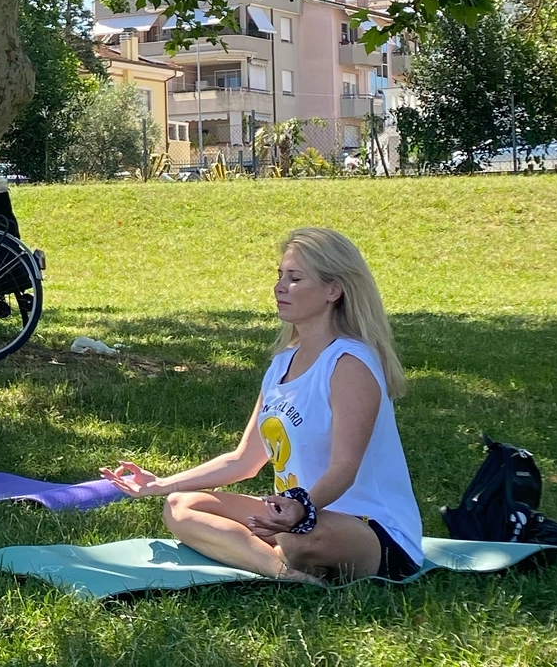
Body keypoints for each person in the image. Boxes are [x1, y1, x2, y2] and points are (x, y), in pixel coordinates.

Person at [99, 228, 423, 583]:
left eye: (295, 278)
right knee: (180, 506)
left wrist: (300, 508)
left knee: (298, 540)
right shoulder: (282, 363)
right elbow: (244, 460)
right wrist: (162, 484)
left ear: (333, 290)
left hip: (371, 530)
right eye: (280, 275)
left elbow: (344, 467)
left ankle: (270, 554)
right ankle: (282, 572)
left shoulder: (349, 364)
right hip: (295, 517)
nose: (279, 287)